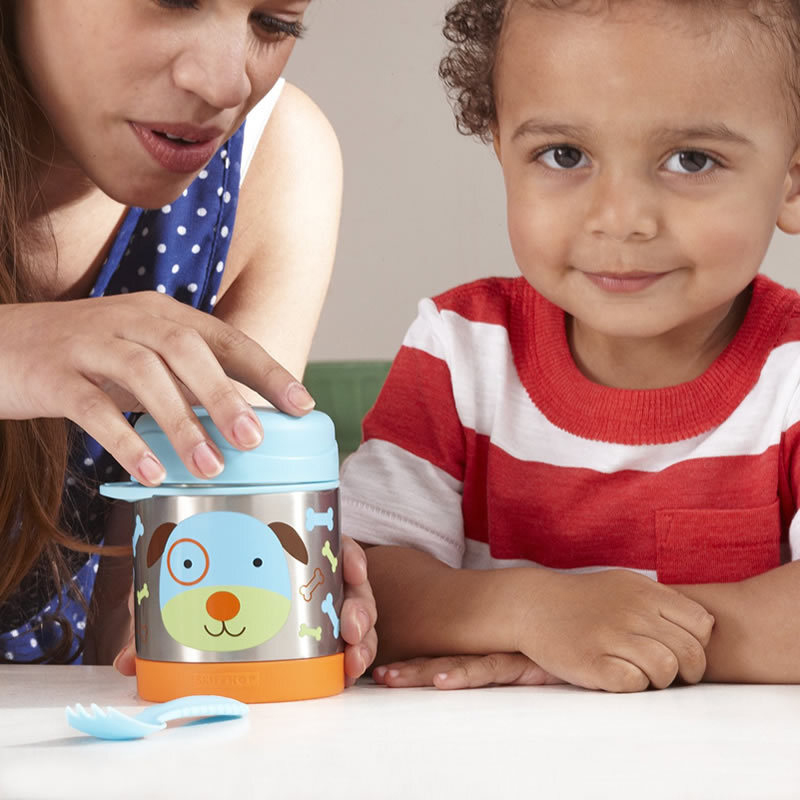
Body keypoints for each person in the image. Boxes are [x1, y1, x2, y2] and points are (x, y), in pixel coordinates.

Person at [340, 0, 800, 693]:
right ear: (501, 148)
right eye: (564, 155)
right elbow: (355, 588)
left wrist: (599, 638)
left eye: (692, 159)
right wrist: (534, 612)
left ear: (793, 177)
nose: (620, 218)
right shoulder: (462, 351)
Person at [0, 0, 376, 684]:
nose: (226, 84)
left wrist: (215, 610)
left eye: (275, 24)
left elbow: (127, 647)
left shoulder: (273, 157)